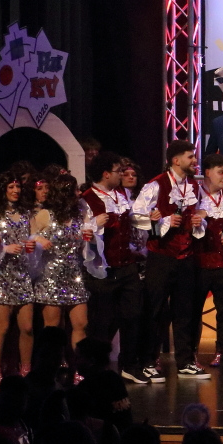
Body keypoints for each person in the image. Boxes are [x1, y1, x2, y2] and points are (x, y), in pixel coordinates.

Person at [133, 140, 207, 382]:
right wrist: (163, 221)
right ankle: (147, 361)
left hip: (186, 256)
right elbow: (136, 215)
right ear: (176, 160)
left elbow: (200, 212)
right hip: (161, 255)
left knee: (185, 310)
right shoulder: (156, 184)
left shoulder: (193, 186)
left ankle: (185, 361)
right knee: (154, 310)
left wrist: (199, 221)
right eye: (190, 157)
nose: (194, 161)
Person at [81, 152, 143, 383]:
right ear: (106, 174)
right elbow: (78, 230)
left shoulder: (121, 195)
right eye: (118, 171)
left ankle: (130, 364)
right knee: (103, 320)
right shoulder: (87, 199)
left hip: (126, 264)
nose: (122, 175)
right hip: (102, 268)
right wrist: (93, 224)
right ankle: (97, 368)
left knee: (133, 315)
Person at [0, 170, 35, 389]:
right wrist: (1, 246)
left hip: (22, 274)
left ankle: (25, 372)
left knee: (27, 327)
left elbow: (33, 237)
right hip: (0, 275)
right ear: (3, 189)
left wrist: (32, 244)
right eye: (11, 187)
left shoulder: (26, 213)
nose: (15, 190)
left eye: (18, 186)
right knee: (1, 327)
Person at [191, 154, 223, 376]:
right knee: (192, 311)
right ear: (208, 172)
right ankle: (190, 354)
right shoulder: (193, 195)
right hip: (198, 263)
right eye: (221, 172)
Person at [31, 171, 91, 351]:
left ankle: (79, 363)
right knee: (52, 327)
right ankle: (52, 363)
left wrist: (89, 237)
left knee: (81, 323)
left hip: (75, 276)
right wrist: (38, 239)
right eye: (75, 190)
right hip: (51, 277)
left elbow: (86, 244)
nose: (79, 193)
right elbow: (27, 235)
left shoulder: (79, 216)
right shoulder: (45, 215)